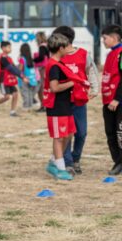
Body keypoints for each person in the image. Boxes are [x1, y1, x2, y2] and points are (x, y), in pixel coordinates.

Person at [51, 25, 100, 175]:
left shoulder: (83, 54)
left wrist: (94, 89)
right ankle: (68, 163)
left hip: (79, 100)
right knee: (66, 133)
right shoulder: (58, 56)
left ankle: (76, 158)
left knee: (81, 133)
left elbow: (91, 71)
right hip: (63, 101)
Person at [42, 33, 89, 181]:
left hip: (66, 105)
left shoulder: (59, 63)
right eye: (67, 46)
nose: (70, 48)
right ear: (60, 48)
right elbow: (54, 87)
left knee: (68, 134)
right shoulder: (54, 65)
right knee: (59, 138)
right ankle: (60, 168)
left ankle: (53, 161)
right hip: (57, 107)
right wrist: (73, 83)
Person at [100, 24, 122, 175]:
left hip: (117, 102)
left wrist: (117, 98)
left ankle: (120, 163)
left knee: (120, 133)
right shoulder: (110, 54)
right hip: (107, 101)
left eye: (105, 38)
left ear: (114, 38)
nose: (103, 40)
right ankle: (117, 161)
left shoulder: (121, 53)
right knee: (110, 132)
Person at [0, 41, 28, 117]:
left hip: (10, 80)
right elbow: (11, 69)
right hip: (3, 81)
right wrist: (22, 76)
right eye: (9, 47)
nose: (10, 49)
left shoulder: (9, 58)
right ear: (3, 48)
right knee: (7, 96)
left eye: (10, 47)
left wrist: (22, 74)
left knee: (15, 94)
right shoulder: (3, 58)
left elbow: (14, 67)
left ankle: (12, 112)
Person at [18, 43, 40, 111]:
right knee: (30, 93)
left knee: (25, 93)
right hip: (31, 79)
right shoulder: (31, 59)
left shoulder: (22, 59)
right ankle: (30, 106)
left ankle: (26, 107)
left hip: (23, 79)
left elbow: (20, 70)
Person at [33, 31, 50, 112]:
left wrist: (32, 60)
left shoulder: (42, 47)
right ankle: (45, 105)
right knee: (45, 87)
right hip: (48, 67)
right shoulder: (47, 45)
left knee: (41, 88)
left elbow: (41, 57)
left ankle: (43, 106)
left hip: (43, 69)